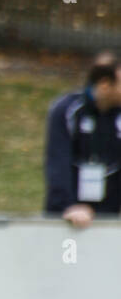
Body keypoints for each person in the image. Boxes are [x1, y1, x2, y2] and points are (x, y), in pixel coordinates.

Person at [44, 57, 121, 227]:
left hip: (109, 216)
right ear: (105, 85)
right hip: (66, 216)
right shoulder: (67, 110)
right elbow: (58, 161)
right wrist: (68, 206)